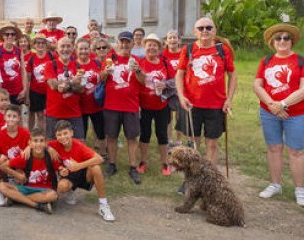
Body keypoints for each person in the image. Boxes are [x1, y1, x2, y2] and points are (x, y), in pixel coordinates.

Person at [253, 23, 304, 207]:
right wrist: (272, 105)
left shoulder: (302, 61)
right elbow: (257, 85)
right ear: (272, 42)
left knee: (295, 150)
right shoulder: (266, 61)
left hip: (296, 114)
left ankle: (299, 189)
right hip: (269, 112)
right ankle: (275, 184)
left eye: (286, 38)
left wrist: (282, 104)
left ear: (292, 41)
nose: (282, 41)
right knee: (274, 148)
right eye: (278, 38)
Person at [175, 17, 235, 166]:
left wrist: (229, 99)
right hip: (192, 104)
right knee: (193, 145)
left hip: (216, 105)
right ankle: (192, 178)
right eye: (201, 28)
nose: (205, 31)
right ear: (195, 32)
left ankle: (210, 178)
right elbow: (179, 73)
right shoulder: (188, 49)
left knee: (212, 144)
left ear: (214, 31)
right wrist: (181, 97)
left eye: (209, 28)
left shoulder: (222, 50)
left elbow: (232, 74)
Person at [50, 119, 114, 221]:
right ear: (56, 136)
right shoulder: (54, 144)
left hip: (84, 173)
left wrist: (79, 166)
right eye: (59, 134)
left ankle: (103, 205)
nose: (62, 137)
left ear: (71, 133)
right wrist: (49, 149)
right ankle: (71, 190)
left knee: (96, 168)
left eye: (65, 133)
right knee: (61, 187)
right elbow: (38, 142)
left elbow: (99, 158)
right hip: (69, 175)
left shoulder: (78, 146)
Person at [101, 33, 144, 184]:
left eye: (128, 42)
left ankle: (133, 167)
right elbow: (100, 78)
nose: (125, 45)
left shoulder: (138, 60)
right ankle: (112, 165)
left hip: (131, 106)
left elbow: (143, 81)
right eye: (122, 42)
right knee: (111, 137)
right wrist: (106, 71)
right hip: (111, 105)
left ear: (133, 44)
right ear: (117, 43)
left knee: (131, 138)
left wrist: (138, 70)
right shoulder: (109, 59)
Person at [135, 34, 175, 177]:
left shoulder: (165, 62)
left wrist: (165, 84)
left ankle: (165, 163)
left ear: (159, 48)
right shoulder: (139, 62)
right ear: (144, 48)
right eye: (149, 45)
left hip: (161, 106)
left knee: (162, 134)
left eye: (154, 45)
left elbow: (175, 80)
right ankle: (143, 161)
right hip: (144, 106)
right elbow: (135, 82)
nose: (151, 47)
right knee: (145, 134)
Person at [0, 133, 59, 214]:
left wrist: (63, 171)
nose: (38, 144)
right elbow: (3, 166)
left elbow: (61, 169)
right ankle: (36, 205)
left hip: (44, 189)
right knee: (0, 186)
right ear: (30, 143)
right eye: (35, 141)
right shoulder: (26, 156)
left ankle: (16, 198)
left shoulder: (50, 156)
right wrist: (17, 175)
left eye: (41, 141)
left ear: (46, 143)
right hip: (26, 187)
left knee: (53, 196)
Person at [0, 105, 30, 206]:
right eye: (9, 116)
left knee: (21, 177)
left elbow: (34, 144)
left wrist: (29, 147)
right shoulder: (1, 134)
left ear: (19, 118)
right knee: (1, 159)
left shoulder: (25, 133)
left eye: (14, 116)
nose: (11, 119)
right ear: (4, 117)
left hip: (20, 166)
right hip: (6, 167)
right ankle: (2, 189)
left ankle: (12, 190)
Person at [44, 37, 86, 139]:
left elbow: (81, 89)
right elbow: (54, 85)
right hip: (54, 113)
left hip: (74, 113)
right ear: (57, 49)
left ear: (72, 49)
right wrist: (73, 82)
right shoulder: (50, 65)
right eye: (62, 46)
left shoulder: (78, 66)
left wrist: (65, 86)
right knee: (52, 146)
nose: (65, 49)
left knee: (79, 143)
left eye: (68, 46)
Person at [73, 39, 105, 155]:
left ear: (90, 49)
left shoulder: (96, 63)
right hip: (80, 106)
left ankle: (103, 153)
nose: (83, 51)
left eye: (86, 48)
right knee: (81, 133)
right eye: (81, 49)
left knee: (100, 131)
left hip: (96, 104)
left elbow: (102, 79)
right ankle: (83, 154)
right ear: (76, 50)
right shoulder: (73, 65)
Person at [23, 35, 56, 136]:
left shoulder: (51, 56)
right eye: (38, 43)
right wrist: (27, 95)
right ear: (34, 45)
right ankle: (34, 135)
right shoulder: (31, 59)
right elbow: (28, 78)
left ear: (46, 45)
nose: (40, 45)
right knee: (38, 114)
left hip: (50, 91)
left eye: (42, 43)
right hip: (35, 91)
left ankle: (46, 135)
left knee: (47, 115)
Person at [0, 23, 26, 105]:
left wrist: (24, 89)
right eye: (7, 34)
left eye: (12, 34)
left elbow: (23, 70)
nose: (10, 36)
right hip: (3, 91)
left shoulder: (19, 51)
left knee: (16, 115)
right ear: (3, 36)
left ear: (15, 36)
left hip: (17, 91)